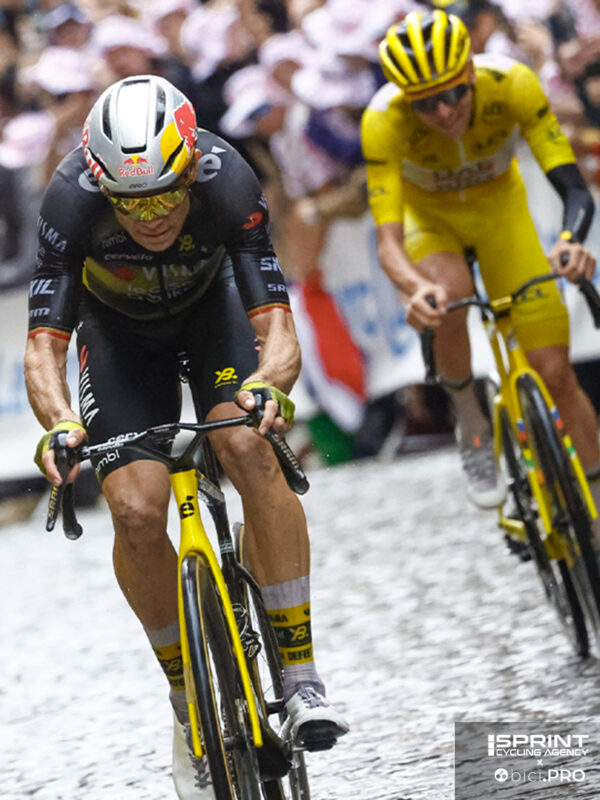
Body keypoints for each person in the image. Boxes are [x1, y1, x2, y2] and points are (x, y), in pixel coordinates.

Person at [24, 74, 348, 800]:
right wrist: (60, 422)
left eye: (167, 195)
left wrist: (270, 383)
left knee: (244, 445)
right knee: (135, 509)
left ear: (190, 166)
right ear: (101, 184)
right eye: (131, 203)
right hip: (117, 336)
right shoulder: (69, 199)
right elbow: (43, 344)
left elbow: (277, 325)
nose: (153, 216)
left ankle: (301, 676)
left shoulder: (227, 178)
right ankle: (185, 693)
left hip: (214, 314)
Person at [361, 10, 600, 510]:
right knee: (447, 293)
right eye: (425, 103)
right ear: (405, 98)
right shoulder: (382, 120)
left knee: (557, 375)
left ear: (470, 72)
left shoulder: (511, 84)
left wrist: (571, 240)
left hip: (501, 216)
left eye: (453, 93)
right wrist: (415, 288)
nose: (444, 111)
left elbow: (574, 188)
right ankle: (470, 416)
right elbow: (388, 242)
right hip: (431, 224)